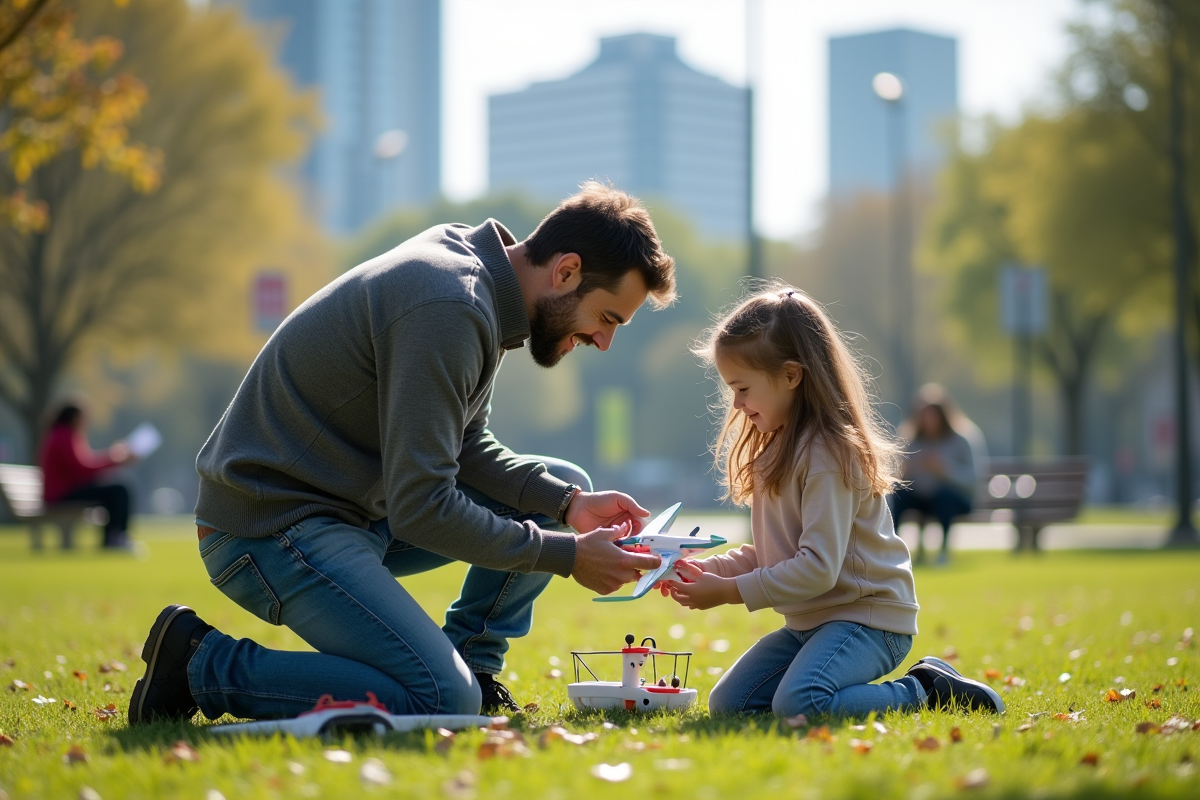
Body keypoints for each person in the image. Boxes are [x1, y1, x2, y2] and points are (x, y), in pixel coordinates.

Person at [128, 183, 674, 725]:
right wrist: (569, 554)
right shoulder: (450, 304)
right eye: (608, 319)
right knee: (438, 700)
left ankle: (471, 671)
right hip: (269, 528)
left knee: (559, 486)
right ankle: (203, 663)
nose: (604, 342)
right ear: (566, 271)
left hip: (348, 514)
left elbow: (462, 447)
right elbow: (423, 506)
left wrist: (570, 505)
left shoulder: (479, 280)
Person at [665, 286, 1003, 718]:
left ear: (791, 375)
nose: (736, 403)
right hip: (812, 624)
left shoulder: (827, 453)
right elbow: (773, 554)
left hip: (869, 619)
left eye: (743, 387)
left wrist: (730, 591)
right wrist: (706, 572)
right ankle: (838, 689)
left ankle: (926, 690)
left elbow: (818, 567)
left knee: (800, 703)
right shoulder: (777, 448)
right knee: (730, 703)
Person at [890, 384, 987, 566]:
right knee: (899, 496)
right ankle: (893, 551)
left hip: (955, 499)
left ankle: (943, 552)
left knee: (944, 497)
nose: (929, 421)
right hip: (921, 496)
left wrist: (945, 470)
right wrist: (905, 471)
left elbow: (973, 479)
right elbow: (897, 477)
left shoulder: (962, 439)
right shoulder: (910, 440)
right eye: (924, 416)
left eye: (933, 415)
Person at [37, 401, 136, 550]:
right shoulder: (64, 436)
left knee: (113, 491)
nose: (87, 421)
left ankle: (111, 539)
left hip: (63, 492)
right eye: (84, 417)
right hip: (61, 495)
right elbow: (82, 469)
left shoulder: (61, 434)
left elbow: (80, 467)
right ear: (75, 418)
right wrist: (114, 459)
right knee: (119, 490)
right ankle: (116, 537)